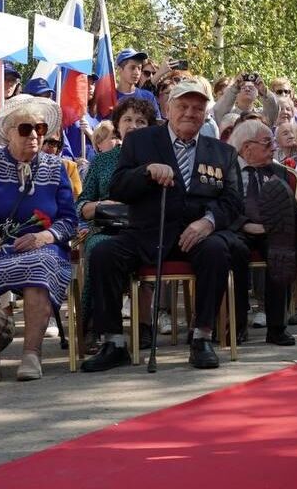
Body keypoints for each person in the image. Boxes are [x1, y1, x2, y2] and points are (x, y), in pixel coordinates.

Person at [81, 79, 244, 372]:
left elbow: (233, 201)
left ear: (206, 112)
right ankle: (114, 342)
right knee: (104, 254)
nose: (189, 113)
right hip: (147, 232)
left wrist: (208, 223)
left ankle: (202, 338)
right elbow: (118, 188)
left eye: (197, 107)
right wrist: (146, 172)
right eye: (182, 105)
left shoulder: (223, 152)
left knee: (217, 250)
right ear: (168, 108)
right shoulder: (140, 141)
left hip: (196, 235)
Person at [0, 96, 77, 383]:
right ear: (7, 132)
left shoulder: (56, 167)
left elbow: (70, 221)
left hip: (40, 247)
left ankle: (32, 354)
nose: (34, 135)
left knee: (40, 267)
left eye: (40, 128)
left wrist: (45, 236)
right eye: (25, 129)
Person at [76, 97, 157, 346]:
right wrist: (102, 206)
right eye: (128, 120)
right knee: (98, 248)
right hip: (107, 228)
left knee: (152, 247)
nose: (133, 125)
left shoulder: (160, 159)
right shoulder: (102, 160)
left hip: (145, 229)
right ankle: (95, 325)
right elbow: (81, 205)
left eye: (141, 121)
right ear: (118, 125)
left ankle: (144, 325)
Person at [228, 118, 297, 346]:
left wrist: (272, 225)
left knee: (281, 251)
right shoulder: (225, 169)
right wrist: (243, 224)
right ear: (247, 148)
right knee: (235, 251)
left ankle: (277, 327)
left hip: (270, 230)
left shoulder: (278, 172)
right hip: (237, 228)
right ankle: (237, 324)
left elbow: (288, 208)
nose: (274, 148)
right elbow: (219, 204)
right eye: (267, 143)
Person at [214, 74, 280, 126]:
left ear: (257, 94)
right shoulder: (229, 116)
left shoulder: (262, 116)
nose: (247, 89)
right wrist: (234, 88)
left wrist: (264, 91)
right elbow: (218, 112)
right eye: (243, 87)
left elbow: (274, 110)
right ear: (236, 94)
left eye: (251, 88)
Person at [114, 48, 161, 119]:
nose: (137, 72)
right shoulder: (109, 97)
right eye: (132, 68)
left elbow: (157, 125)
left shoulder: (148, 97)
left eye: (139, 68)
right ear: (120, 70)